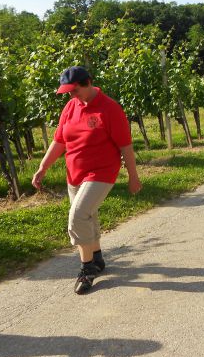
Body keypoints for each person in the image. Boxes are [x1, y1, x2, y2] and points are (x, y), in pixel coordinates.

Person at [32, 66, 142, 295]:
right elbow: (60, 141)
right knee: (88, 215)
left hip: (102, 172)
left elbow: (126, 146)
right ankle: (98, 257)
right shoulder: (70, 107)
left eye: (75, 90)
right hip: (75, 173)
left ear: (88, 82)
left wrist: (133, 176)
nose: (72, 95)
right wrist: (43, 167)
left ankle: (87, 269)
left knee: (78, 215)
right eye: (68, 92)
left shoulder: (110, 108)